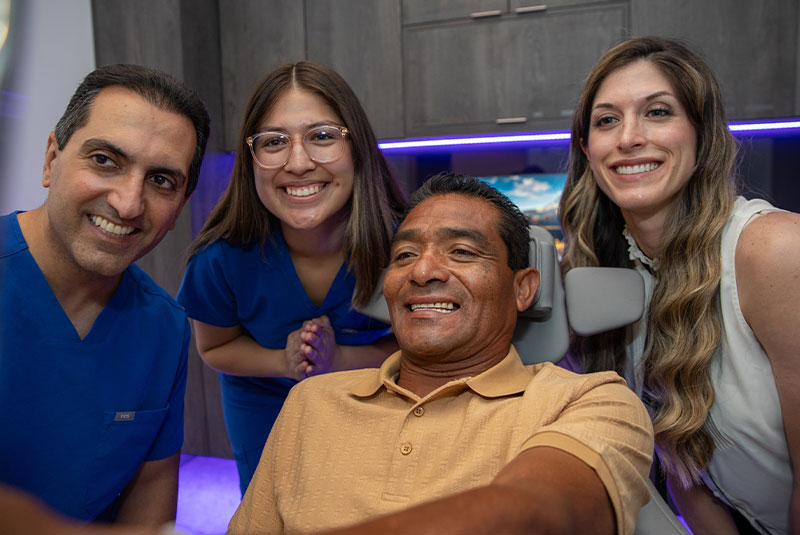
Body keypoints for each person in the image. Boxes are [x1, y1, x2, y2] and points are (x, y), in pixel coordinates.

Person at [228, 172, 654, 535]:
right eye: (405, 255)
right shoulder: (311, 402)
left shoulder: (590, 401)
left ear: (523, 288)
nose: (423, 270)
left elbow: (540, 513)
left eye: (462, 252)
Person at [559, 36, 800, 534]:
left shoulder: (773, 250)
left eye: (658, 112)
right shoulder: (610, 274)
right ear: (587, 148)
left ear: (701, 132)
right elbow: (683, 462)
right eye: (607, 120)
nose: (628, 138)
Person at [177, 61, 407, 494]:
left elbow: (418, 345)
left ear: (356, 147)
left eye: (321, 136)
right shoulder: (222, 259)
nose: (298, 162)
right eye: (274, 142)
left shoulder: (406, 247)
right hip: (264, 408)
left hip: (380, 401)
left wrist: (338, 363)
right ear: (251, 161)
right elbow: (215, 346)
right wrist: (283, 363)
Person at [0, 64, 210, 525]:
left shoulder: (165, 327)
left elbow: (150, 495)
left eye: (161, 181)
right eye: (104, 160)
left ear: (178, 208)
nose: (128, 202)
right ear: (51, 159)